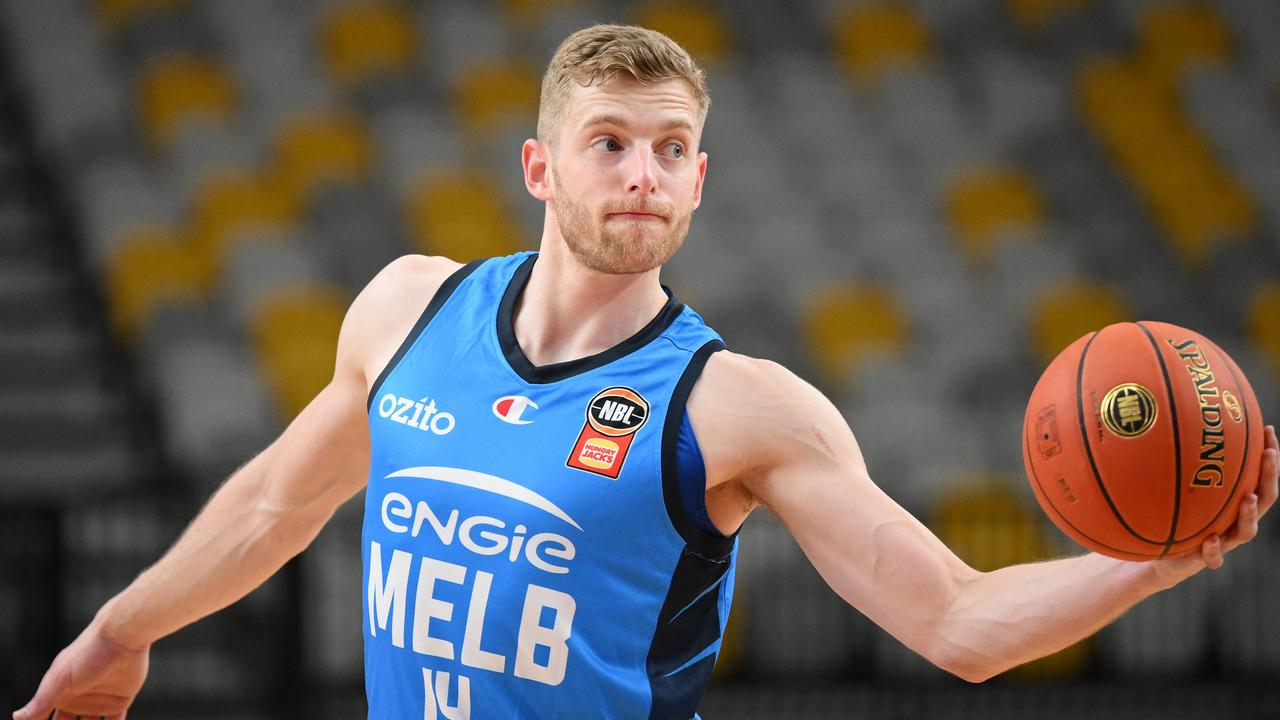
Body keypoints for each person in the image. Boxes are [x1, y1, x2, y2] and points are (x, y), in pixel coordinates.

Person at [14, 23, 1279, 720]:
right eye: (608, 142)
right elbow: (272, 507)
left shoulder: (738, 405)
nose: (642, 173)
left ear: (698, 180)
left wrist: (1151, 558)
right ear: (539, 167)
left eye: (671, 149)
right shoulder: (408, 308)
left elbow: (956, 625)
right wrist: (118, 634)